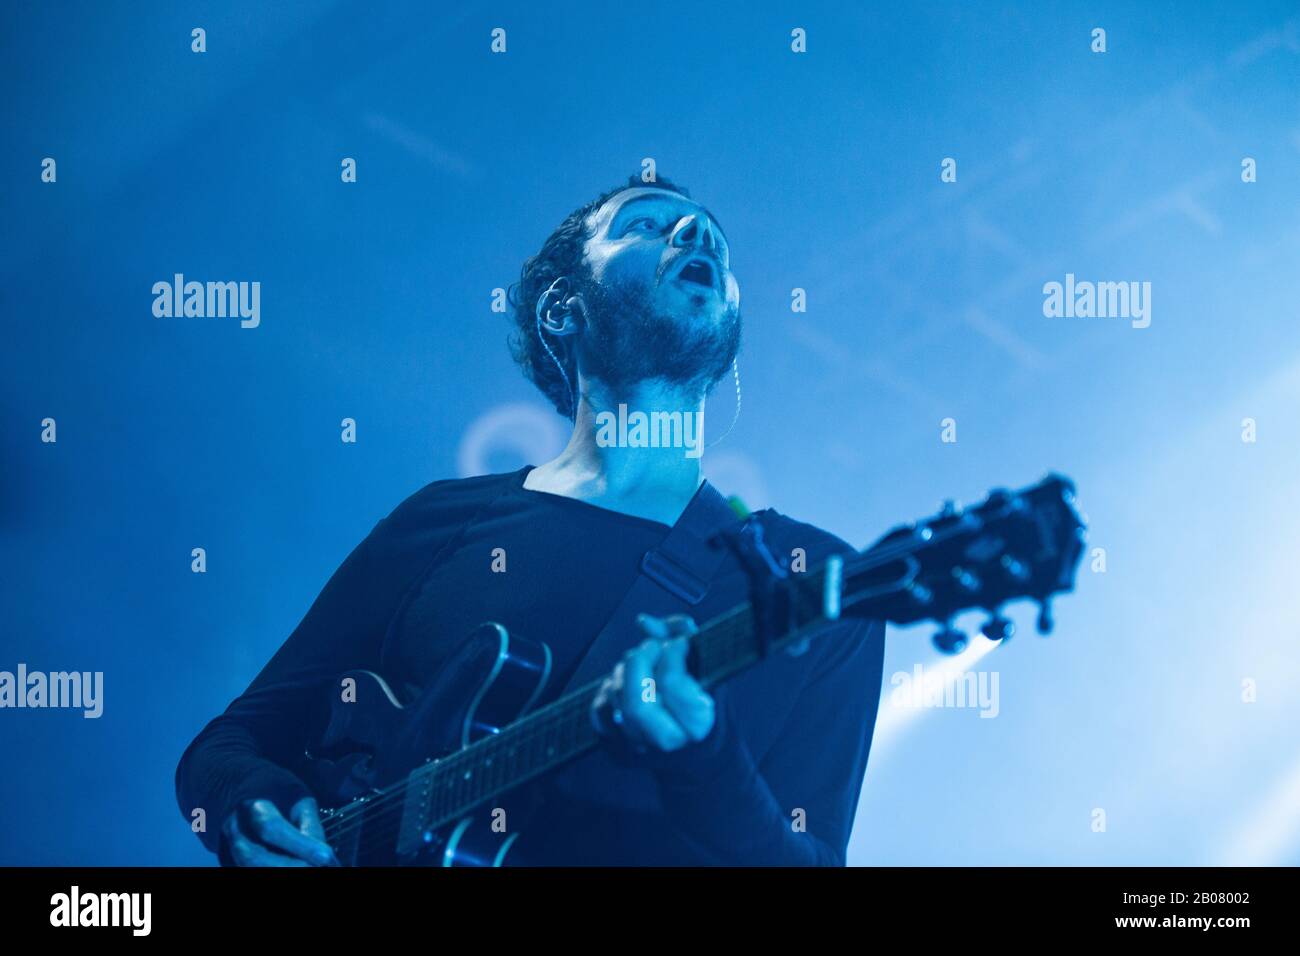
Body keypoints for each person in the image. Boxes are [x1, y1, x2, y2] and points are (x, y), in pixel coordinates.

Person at [175, 175, 885, 866]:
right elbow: (228, 745)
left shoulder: (810, 582)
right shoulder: (439, 521)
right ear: (561, 309)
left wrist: (704, 760)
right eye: (644, 225)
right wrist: (255, 807)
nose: (696, 232)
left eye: (713, 242)